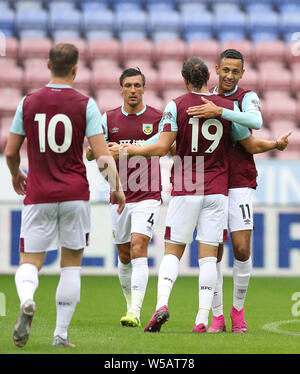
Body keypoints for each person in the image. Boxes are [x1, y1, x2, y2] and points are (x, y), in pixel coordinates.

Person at [109, 56, 290, 333]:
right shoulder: (228, 106)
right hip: (217, 186)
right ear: (211, 76)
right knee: (208, 255)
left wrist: (126, 149)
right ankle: (203, 319)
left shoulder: (177, 105)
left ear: (184, 80)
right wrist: (274, 143)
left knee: (173, 250)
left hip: (187, 184)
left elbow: (161, 145)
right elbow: (248, 140)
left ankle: (162, 305)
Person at [5, 43, 125, 348]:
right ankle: (60, 334)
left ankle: (28, 300)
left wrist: (15, 173)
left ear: (47, 64)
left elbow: (10, 151)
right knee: (71, 263)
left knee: (30, 262)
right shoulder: (86, 104)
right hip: (74, 194)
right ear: (75, 68)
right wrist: (116, 187)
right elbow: (102, 158)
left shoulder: (28, 102)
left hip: (38, 193)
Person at [186, 48, 279, 333]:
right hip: (210, 182)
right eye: (225, 70)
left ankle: (238, 309)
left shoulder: (246, 97)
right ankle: (217, 316)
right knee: (212, 252)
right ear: (217, 69)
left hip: (238, 180)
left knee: (241, 249)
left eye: (235, 71)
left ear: (242, 73)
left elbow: (256, 123)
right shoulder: (206, 99)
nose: (229, 75)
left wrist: (221, 112)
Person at [87, 68, 164, 328]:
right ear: (120, 88)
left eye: (137, 85)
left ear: (144, 88)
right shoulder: (108, 119)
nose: (133, 90)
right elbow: (90, 154)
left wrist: (137, 149)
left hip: (149, 194)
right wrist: (100, 150)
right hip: (118, 195)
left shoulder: (157, 117)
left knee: (139, 247)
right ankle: (129, 302)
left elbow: (171, 148)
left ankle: (135, 311)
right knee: (123, 255)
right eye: (128, 85)